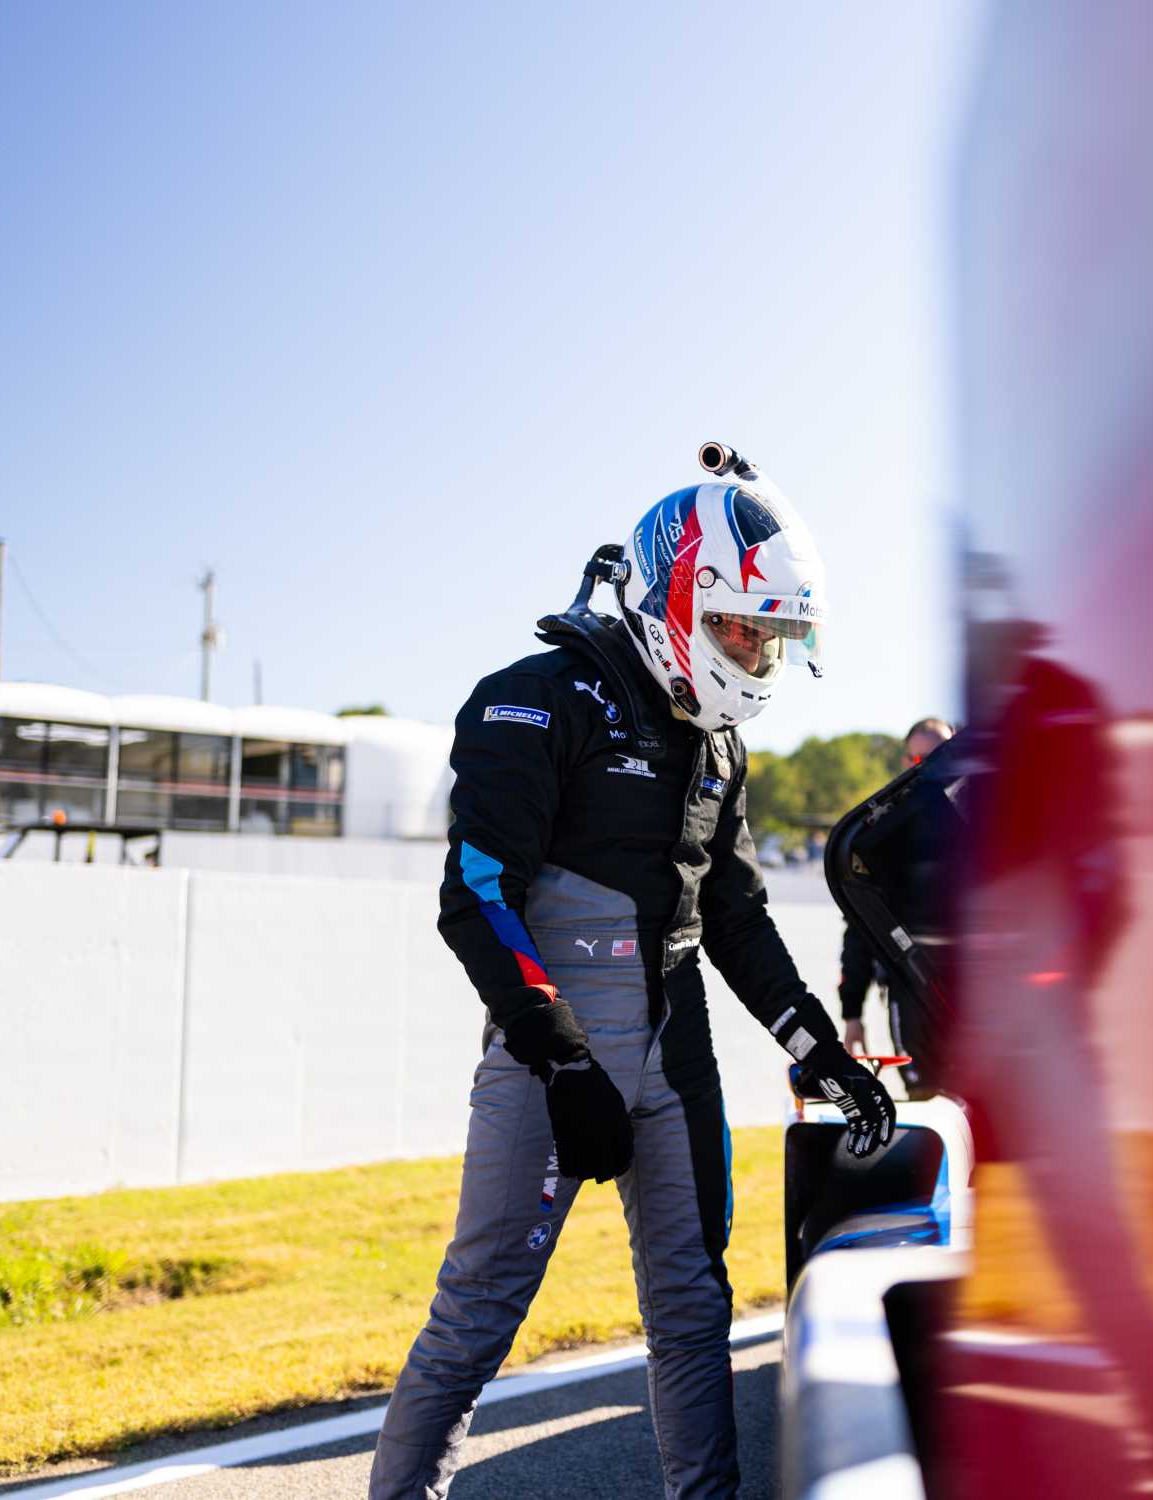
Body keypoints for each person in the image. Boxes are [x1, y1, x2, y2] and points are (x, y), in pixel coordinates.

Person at [370, 446, 895, 1500]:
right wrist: (562, 1063)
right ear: (678, 596)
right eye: (742, 625)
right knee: (478, 1315)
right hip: (550, 1051)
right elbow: (474, 893)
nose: (755, 651)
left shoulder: (719, 747)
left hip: (676, 1051)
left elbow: (736, 919)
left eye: (771, 632)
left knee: (695, 1311)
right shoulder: (532, 698)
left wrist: (821, 1053)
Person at [839, 717, 954, 1083]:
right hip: (911, 991)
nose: (933, 773)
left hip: (980, 995)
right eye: (921, 762)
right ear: (906, 762)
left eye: (944, 759)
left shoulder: (985, 825)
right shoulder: (882, 833)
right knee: (927, 1100)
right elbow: (861, 926)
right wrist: (852, 1014)